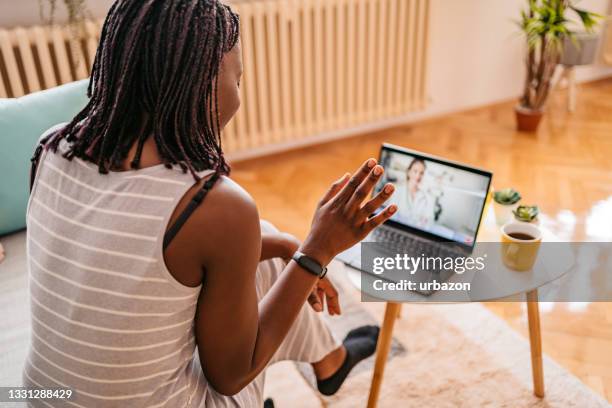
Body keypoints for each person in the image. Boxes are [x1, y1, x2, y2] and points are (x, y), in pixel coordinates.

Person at [23, 0, 397, 407]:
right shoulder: (210, 204)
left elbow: (127, 258)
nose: (239, 96)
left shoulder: (54, 145)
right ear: (200, 87)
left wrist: (291, 249)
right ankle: (330, 362)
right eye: (238, 80)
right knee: (257, 251)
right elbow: (231, 376)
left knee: (266, 242)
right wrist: (317, 249)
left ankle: (330, 362)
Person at [393, 158, 435, 229]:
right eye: (415, 171)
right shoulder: (397, 191)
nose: (418, 176)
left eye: (421, 173)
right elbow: (391, 216)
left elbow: (429, 222)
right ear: (409, 172)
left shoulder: (426, 197)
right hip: (397, 228)